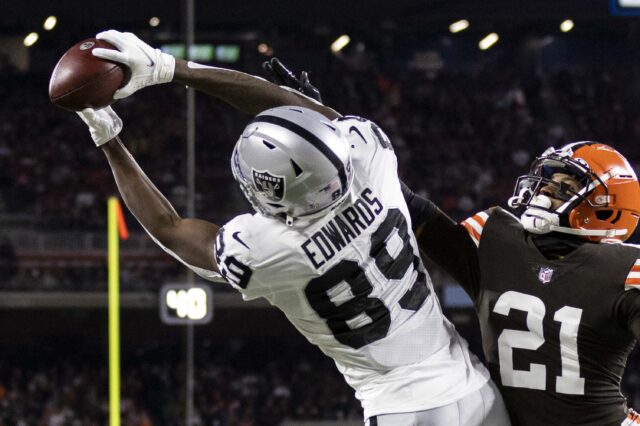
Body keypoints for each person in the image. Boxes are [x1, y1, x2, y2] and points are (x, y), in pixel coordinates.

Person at [72, 30, 510, 425]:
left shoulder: (270, 247)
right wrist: (171, 68)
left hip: (399, 409)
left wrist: (110, 141)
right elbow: (301, 110)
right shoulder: (370, 155)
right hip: (473, 387)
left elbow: (170, 228)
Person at [261, 61, 640, 425]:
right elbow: (403, 202)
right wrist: (332, 129)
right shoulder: (498, 239)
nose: (543, 191)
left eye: (564, 186)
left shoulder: (624, 271)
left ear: (607, 209)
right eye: (547, 180)